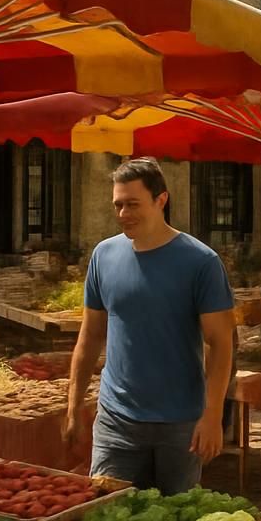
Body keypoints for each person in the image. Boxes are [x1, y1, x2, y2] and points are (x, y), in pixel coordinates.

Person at [65, 158, 234, 494]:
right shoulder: (103, 256)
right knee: (106, 518)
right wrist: (74, 405)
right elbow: (90, 337)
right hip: (116, 420)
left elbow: (221, 343)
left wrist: (213, 416)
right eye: (118, 205)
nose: (124, 213)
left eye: (133, 204)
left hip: (180, 423)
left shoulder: (201, 262)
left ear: (161, 200)